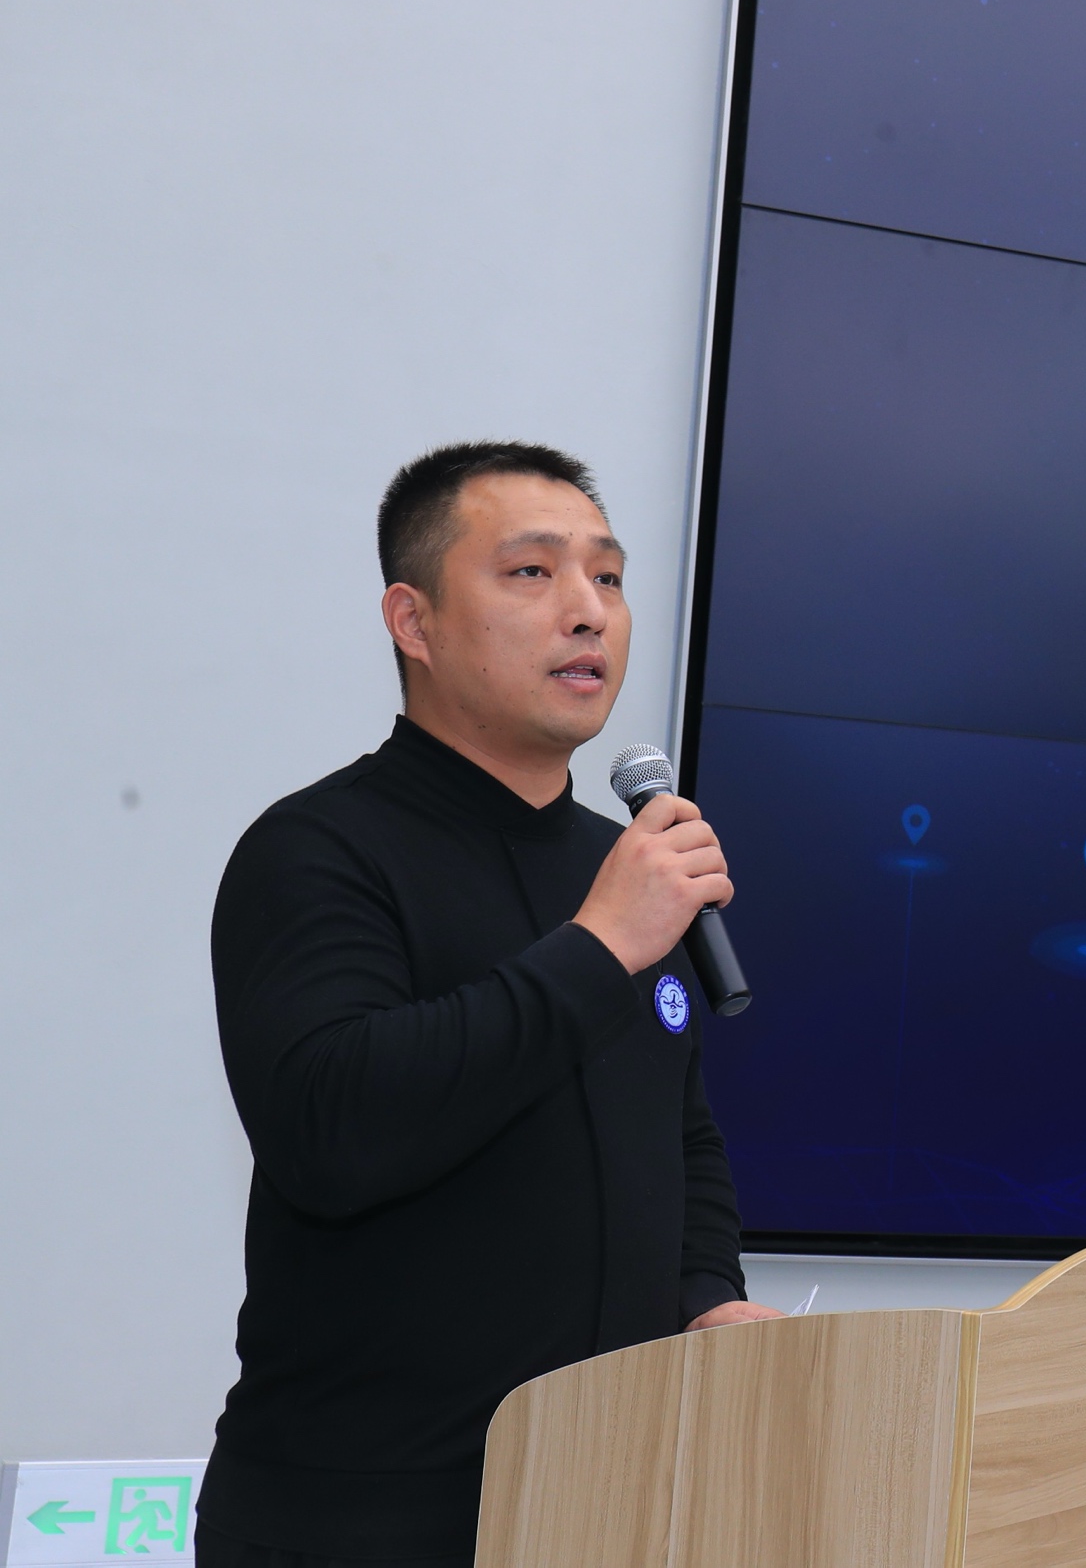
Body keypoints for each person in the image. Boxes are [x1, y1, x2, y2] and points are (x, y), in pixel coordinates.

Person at [196, 442, 783, 1568]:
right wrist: (601, 946)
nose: (588, 611)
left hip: (609, 1503)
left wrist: (706, 1295)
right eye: (531, 572)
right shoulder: (316, 850)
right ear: (412, 621)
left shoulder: (623, 865)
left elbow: (680, 1135)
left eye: (607, 577)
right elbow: (332, 1128)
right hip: (363, 1519)